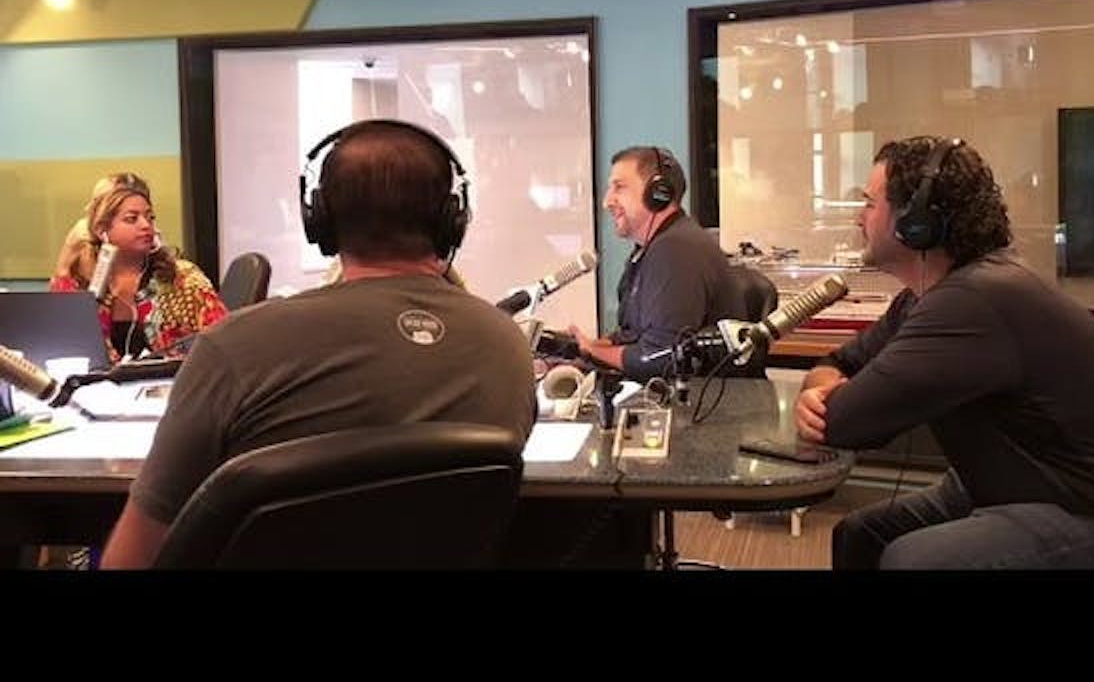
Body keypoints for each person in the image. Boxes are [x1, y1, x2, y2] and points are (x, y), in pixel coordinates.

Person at [100, 119, 537, 568]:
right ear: (452, 220)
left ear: (320, 219)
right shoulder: (506, 345)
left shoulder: (232, 347)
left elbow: (130, 560)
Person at [793, 135, 1094, 569]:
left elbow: (847, 422)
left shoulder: (975, 300)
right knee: (860, 535)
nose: (859, 217)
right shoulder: (924, 298)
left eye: (869, 203)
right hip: (1032, 487)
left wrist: (822, 406)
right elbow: (838, 363)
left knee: (913, 560)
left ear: (916, 222)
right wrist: (818, 387)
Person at [569, 145, 741, 381]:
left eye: (619, 187)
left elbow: (660, 358)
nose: (607, 201)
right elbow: (633, 335)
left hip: (706, 409)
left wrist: (591, 352)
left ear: (658, 193)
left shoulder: (676, 250)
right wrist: (578, 347)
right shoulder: (651, 249)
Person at [50, 172, 228, 363]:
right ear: (103, 231)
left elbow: (225, 339)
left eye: (150, 217)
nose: (146, 225)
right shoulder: (84, 281)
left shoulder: (183, 277)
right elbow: (61, 342)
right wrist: (65, 263)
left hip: (173, 384)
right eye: (131, 219)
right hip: (102, 387)